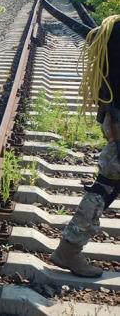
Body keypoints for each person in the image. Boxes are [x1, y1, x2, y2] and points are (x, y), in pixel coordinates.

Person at [51, 15, 120, 278]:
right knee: (106, 187)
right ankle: (68, 249)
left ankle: (69, 249)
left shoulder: (111, 30)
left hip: (114, 119)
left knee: (109, 185)